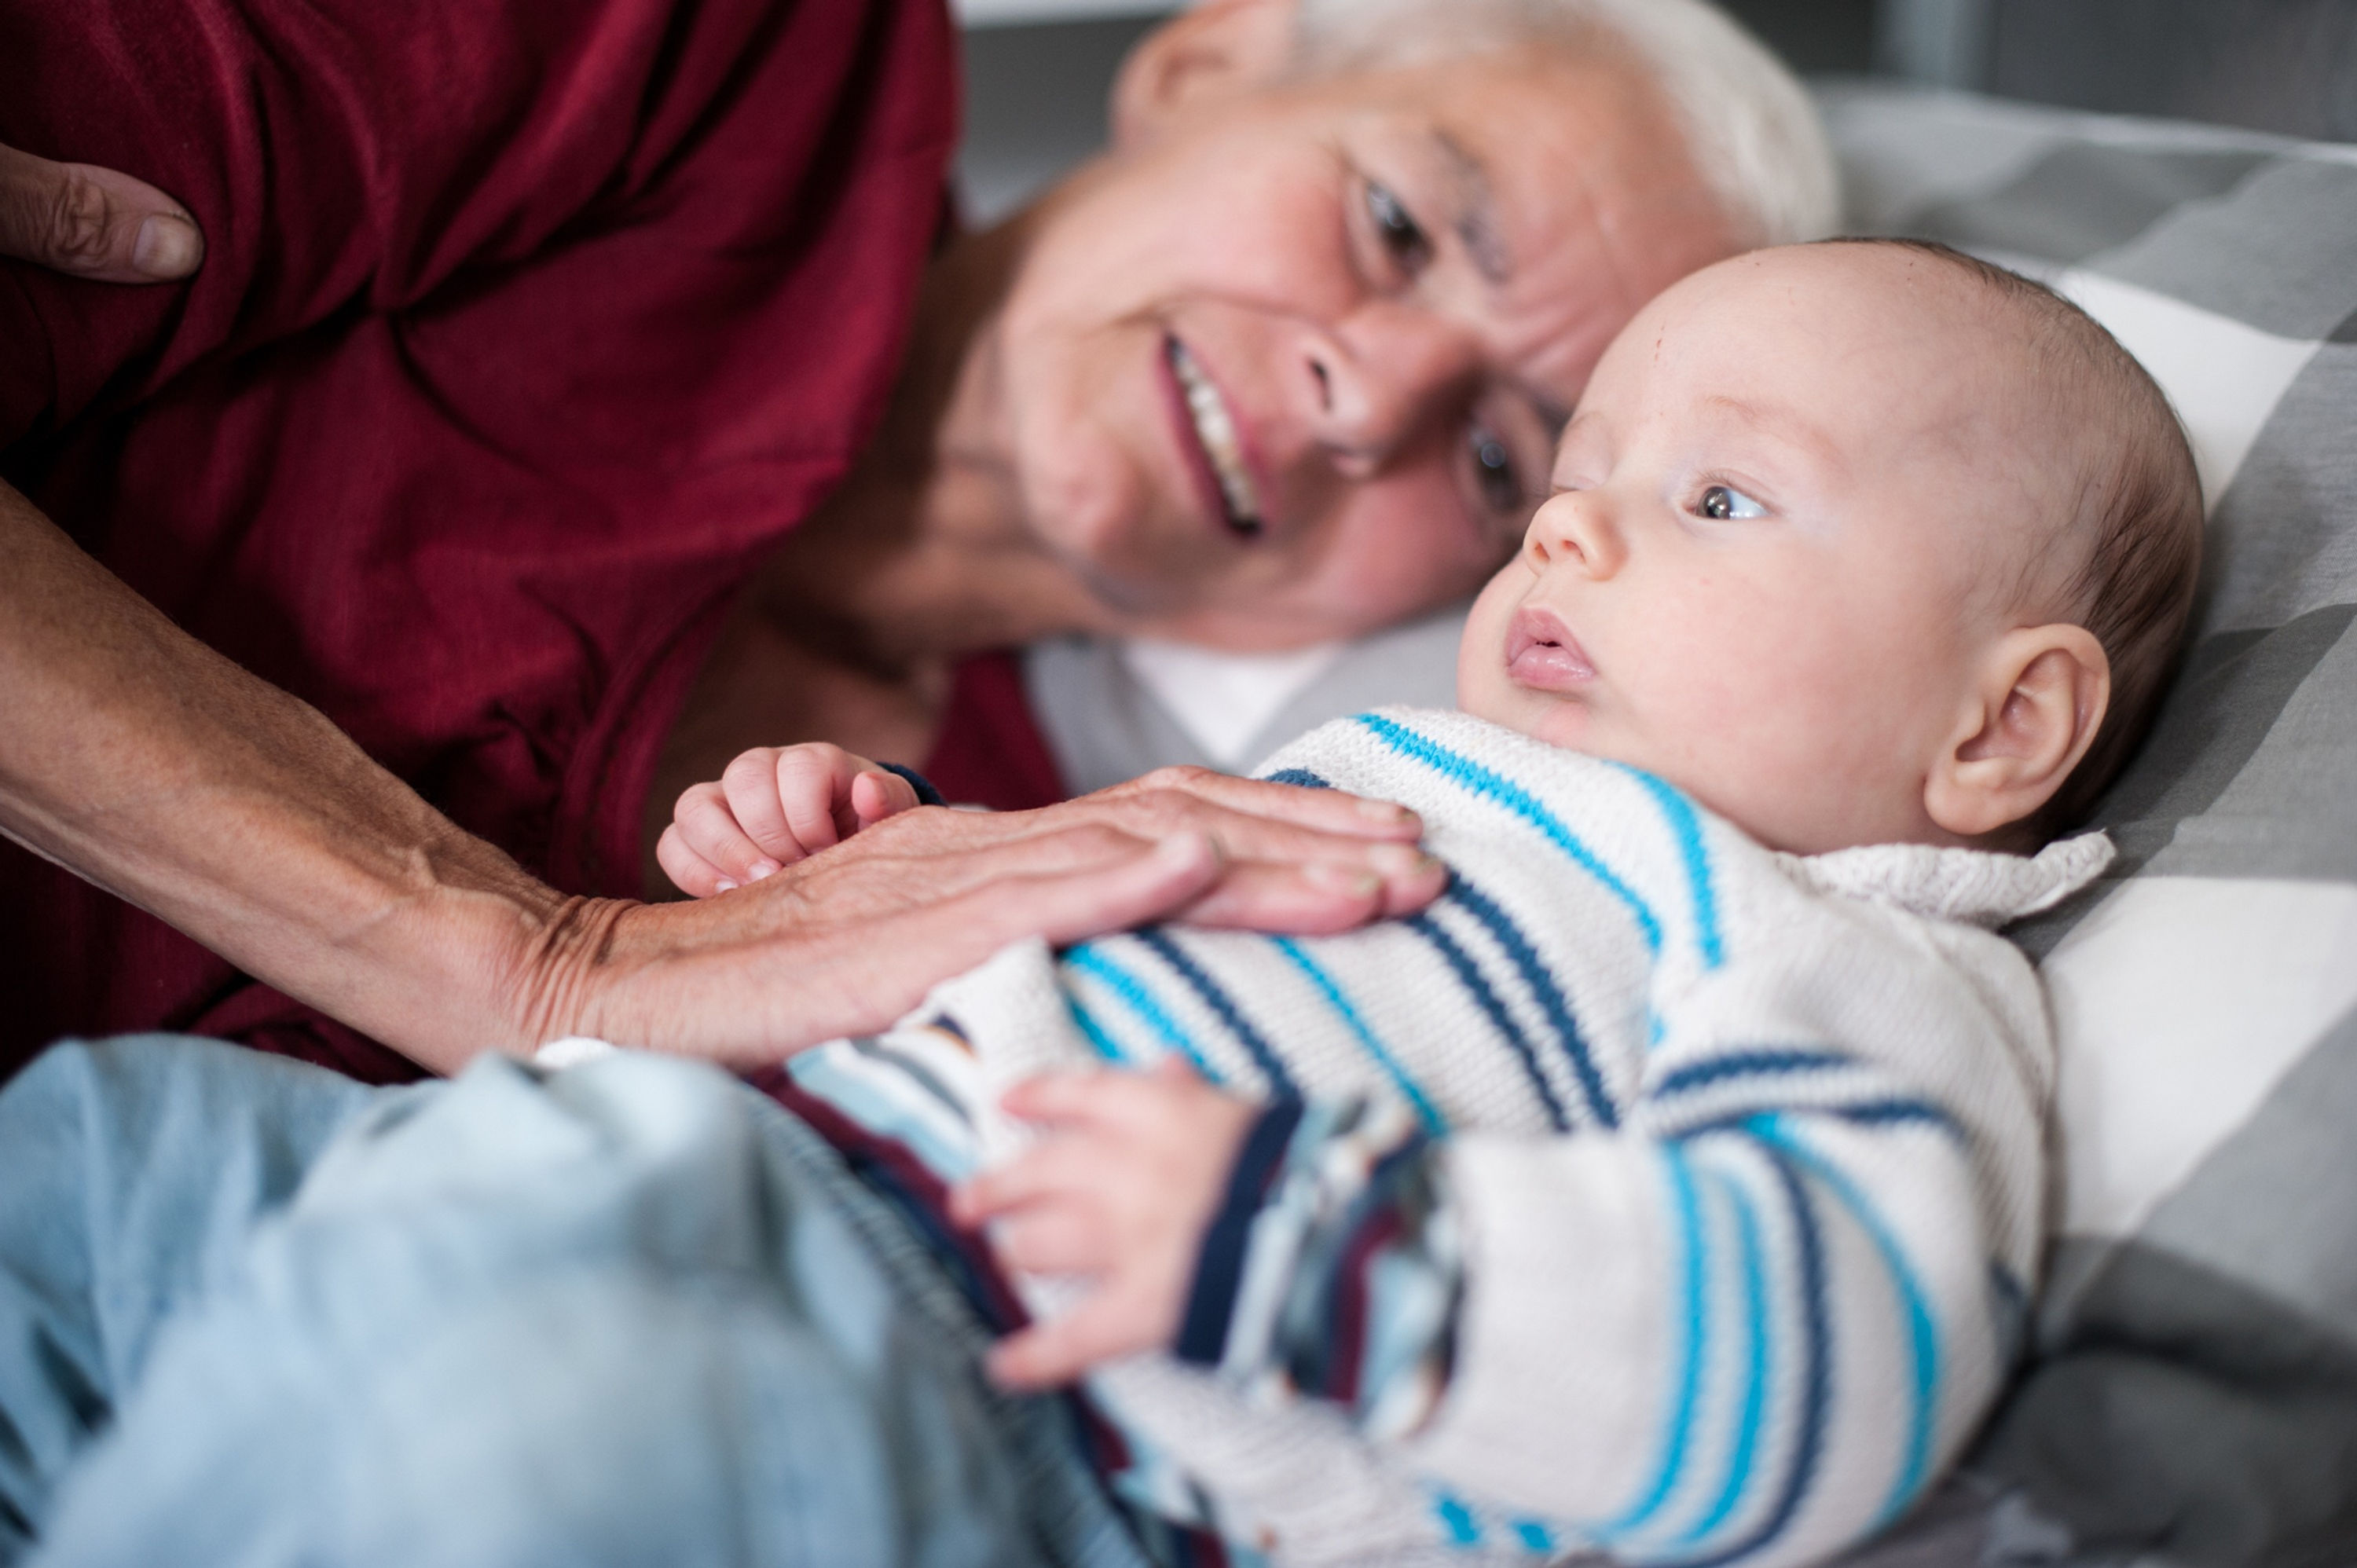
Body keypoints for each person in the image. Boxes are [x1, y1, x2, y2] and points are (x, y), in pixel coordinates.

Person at [0, 240, 2202, 1566]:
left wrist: (1309, 1247)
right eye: (1576, 479)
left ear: (2001, 730)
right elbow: (1071, 945)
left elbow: (1832, 1347)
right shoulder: (1412, 784)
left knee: (457, 1451)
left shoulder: (1841, 959)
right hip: (622, 1159)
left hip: (966, 1388)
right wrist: (856, 871)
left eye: (1716, 494)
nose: (1574, 538)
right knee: (81, 1158)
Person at [0, 0, 1834, 1083]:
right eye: (1404, 224)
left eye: (1510, 460)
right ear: (1207, 64)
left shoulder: (1051, 900)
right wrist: (521, 955)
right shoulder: (732, 60)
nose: (1371, 400)